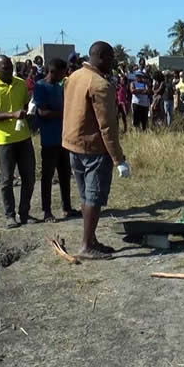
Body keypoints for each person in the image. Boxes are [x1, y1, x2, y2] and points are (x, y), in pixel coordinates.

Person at [62, 41, 129, 260]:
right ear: (101, 56)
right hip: (94, 149)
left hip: (73, 145)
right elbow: (107, 126)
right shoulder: (100, 85)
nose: (113, 62)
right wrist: (119, 159)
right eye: (111, 58)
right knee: (94, 196)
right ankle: (86, 245)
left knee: (84, 194)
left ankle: (90, 239)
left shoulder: (74, 77)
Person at [0, 55, 36, 229]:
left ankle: (24, 213)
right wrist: (11, 114)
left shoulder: (20, 83)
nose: (9, 70)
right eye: (4, 67)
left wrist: (27, 111)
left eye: (10, 66)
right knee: (7, 180)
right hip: (5, 140)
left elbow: (25, 105)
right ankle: (10, 215)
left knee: (30, 178)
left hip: (24, 137)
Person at [33, 58, 81, 223]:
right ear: (53, 71)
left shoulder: (61, 86)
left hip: (64, 138)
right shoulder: (40, 86)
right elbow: (43, 112)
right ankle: (47, 211)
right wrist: (67, 113)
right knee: (47, 176)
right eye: (62, 73)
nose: (64, 75)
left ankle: (66, 207)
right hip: (49, 139)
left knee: (65, 174)